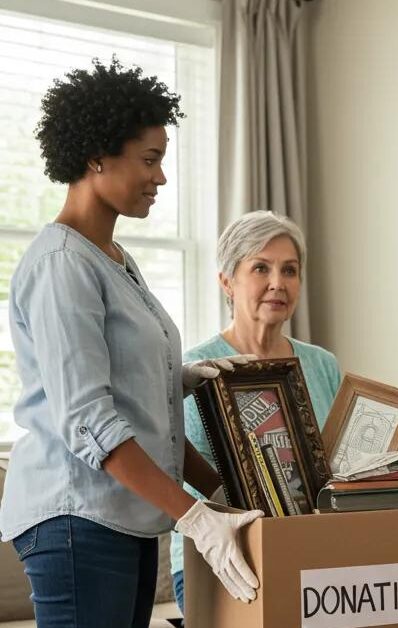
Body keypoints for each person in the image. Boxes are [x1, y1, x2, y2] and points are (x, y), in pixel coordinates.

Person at [0, 59, 263, 628]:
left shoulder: (115, 261)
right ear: (96, 157)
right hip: (77, 519)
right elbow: (91, 420)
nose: (161, 177)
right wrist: (196, 516)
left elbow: (137, 411)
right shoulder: (62, 264)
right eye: (150, 159)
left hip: (129, 515)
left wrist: (228, 491)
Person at [169, 210, 341, 612]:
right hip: (220, 559)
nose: (277, 283)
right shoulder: (193, 368)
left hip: (312, 552)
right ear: (227, 282)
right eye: (260, 268)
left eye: (290, 270)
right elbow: (176, 464)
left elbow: (335, 464)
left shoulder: (322, 365)